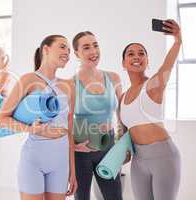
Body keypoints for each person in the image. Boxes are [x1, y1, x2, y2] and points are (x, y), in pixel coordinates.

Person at [0, 35, 77, 200]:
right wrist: (30, 129)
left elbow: (70, 130)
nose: (67, 53)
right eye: (63, 47)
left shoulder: (69, 86)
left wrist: (73, 171)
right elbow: (3, 119)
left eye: (69, 50)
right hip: (34, 159)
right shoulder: (28, 80)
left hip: (60, 162)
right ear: (46, 49)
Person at [120, 19, 181, 200]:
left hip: (164, 157)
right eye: (131, 54)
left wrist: (178, 40)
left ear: (147, 61)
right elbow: (124, 134)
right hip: (139, 161)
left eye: (141, 53)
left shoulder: (153, 85)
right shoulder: (122, 98)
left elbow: (168, 65)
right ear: (124, 63)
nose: (136, 57)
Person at [72, 31, 123, 200]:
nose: (93, 51)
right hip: (81, 149)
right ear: (76, 53)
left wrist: (123, 145)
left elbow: (121, 114)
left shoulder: (113, 78)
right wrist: (71, 145)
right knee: (82, 197)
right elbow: (62, 120)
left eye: (95, 45)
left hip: (108, 147)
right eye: (86, 47)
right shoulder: (70, 84)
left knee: (115, 196)